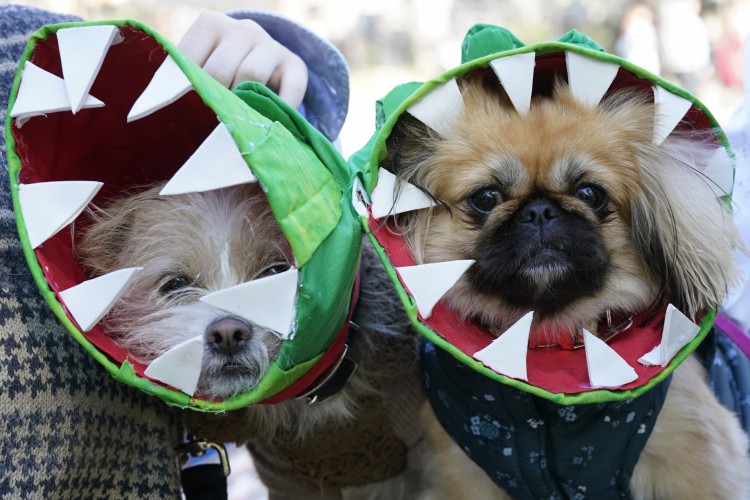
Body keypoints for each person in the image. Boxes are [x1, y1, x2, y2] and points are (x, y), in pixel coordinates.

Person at [0, 5, 348, 497]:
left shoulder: (39, 58)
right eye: (177, 285)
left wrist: (274, 63)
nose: (228, 324)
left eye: (270, 272)